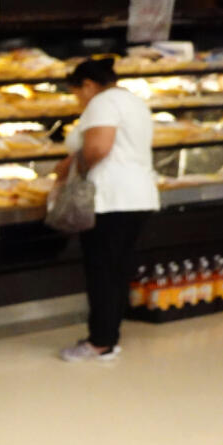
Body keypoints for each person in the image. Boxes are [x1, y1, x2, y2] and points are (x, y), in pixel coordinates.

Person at [54, 57, 159, 362]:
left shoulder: (102, 103)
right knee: (116, 270)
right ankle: (108, 338)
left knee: (101, 270)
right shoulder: (133, 101)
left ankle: (99, 342)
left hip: (112, 199)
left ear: (88, 85)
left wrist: (69, 166)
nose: (78, 99)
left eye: (77, 92)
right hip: (139, 196)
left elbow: (99, 147)